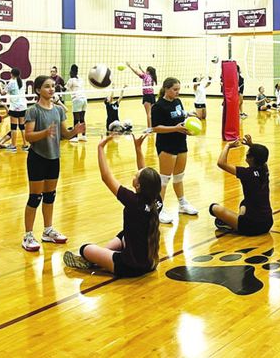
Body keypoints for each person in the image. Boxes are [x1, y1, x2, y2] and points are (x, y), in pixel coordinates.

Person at [63, 134, 162, 277]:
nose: (133, 176)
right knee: (123, 235)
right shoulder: (156, 201)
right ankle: (100, 257)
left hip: (128, 267)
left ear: (138, 185)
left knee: (85, 249)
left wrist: (100, 147)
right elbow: (145, 173)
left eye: (135, 176)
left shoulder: (133, 201)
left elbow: (106, 176)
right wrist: (138, 147)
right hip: (150, 263)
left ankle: (92, 260)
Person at [21, 76, 85, 252]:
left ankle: (48, 230)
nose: (51, 89)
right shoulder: (33, 111)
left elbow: (65, 134)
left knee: (50, 195)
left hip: (54, 157)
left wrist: (75, 132)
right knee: (35, 197)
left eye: (52, 86)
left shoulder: (58, 110)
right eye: (47, 86)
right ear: (38, 90)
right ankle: (28, 235)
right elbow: (28, 136)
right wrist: (45, 133)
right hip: (37, 157)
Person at [151, 77, 198, 224]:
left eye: (179, 89)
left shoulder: (178, 102)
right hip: (166, 144)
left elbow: (180, 119)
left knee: (179, 177)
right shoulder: (158, 106)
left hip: (180, 142)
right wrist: (176, 128)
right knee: (164, 179)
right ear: (166, 89)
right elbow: (156, 128)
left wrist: (188, 125)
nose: (178, 92)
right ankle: (158, 209)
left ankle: (182, 204)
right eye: (175, 89)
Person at [210, 135, 273, 235]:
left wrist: (228, 146)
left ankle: (234, 225)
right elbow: (261, 156)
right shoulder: (265, 171)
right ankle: (235, 222)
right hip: (267, 223)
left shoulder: (246, 173)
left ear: (251, 158)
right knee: (244, 203)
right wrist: (251, 145)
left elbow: (221, 163)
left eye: (248, 154)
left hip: (250, 226)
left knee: (213, 208)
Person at [2, 68, 29, 152]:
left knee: (13, 127)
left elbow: (3, 92)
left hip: (15, 107)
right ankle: (25, 145)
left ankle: (13, 146)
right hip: (23, 107)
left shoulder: (11, 82)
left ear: (11, 74)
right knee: (22, 127)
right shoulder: (22, 82)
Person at [126, 62, 157, 128]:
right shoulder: (152, 77)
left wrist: (130, 66)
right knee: (152, 113)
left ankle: (149, 128)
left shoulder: (145, 76)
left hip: (147, 96)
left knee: (148, 114)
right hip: (152, 96)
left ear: (148, 71)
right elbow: (145, 74)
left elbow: (137, 72)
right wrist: (141, 68)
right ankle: (153, 126)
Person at [65, 64, 87, 143]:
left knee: (76, 119)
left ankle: (75, 137)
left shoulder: (71, 80)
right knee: (82, 119)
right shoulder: (81, 79)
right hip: (84, 99)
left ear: (71, 71)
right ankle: (84, 136)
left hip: (77, 99)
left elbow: (64, 89)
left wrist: (58, 88)